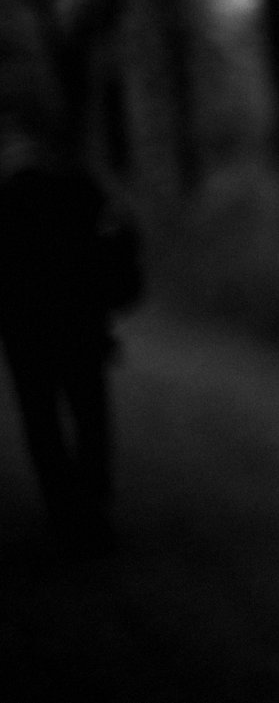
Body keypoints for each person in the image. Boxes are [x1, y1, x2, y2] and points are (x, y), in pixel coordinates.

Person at [0, 109, 140, 551]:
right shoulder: (81, 186)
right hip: (81, 321)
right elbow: (120, 238)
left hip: (25, 328)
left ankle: (63, 509)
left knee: (41, 419)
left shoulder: (8, 194)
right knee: (90, 412)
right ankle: (92, 505)